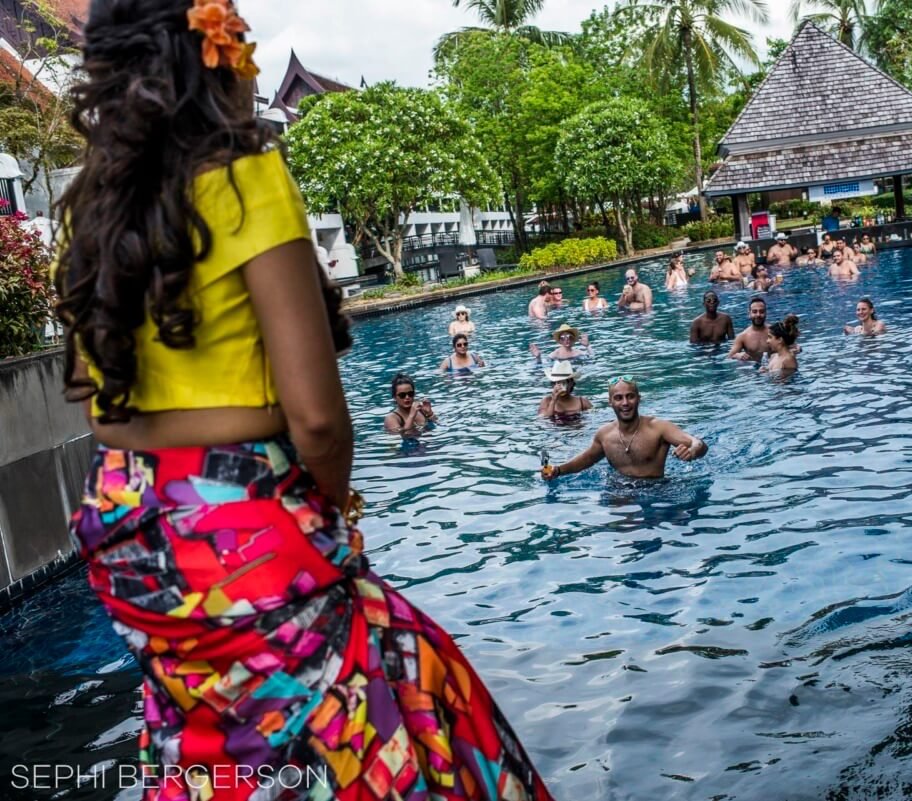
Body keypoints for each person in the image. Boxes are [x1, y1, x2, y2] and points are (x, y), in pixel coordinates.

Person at [52, 2, 555, 798]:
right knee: (406, 713)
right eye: (242, 43)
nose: (254, 64)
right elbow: (317, 415)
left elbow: (90, 393)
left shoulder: (95, 203)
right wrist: (328, 513)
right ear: (210, 58)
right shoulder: (245, 174)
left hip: (119, 522)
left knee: (212, 744)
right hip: (236, 519)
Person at [541, 377, 707, 479]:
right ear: (610, 402)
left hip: (657, 493)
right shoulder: (605, 434)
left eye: (630, 396)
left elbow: (697, 443)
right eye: (619, 398)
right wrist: (557, 470)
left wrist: (692, 452)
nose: (625, 403)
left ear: (638, 399)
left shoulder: (658, 428)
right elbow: (587, 460)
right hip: (618, 493)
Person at [728, 296, 770, 363]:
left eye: (761, 311)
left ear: (766, 313)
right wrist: (737, 355)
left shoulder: (774, 332)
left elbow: (790, 348)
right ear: (749, 314)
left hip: (771, 368)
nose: (758, 315)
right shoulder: (743, 336)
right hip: (752, 370)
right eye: (754, 312)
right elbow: (729, 357)